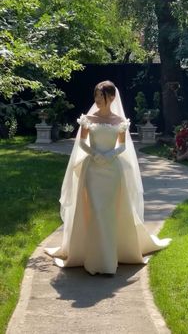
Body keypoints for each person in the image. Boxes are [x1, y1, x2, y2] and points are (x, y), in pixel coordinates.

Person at [45, 80, 171, 275]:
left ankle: (109, 256)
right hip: (93, 171)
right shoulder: (88, 118)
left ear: (111, 98)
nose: (97, 99)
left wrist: (109, 155)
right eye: (95, 96)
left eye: (101, 96)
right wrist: (95, 154)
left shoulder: (120, 121)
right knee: (95, 209)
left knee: (109, 211)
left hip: (112, 171)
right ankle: (96, 260)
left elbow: (122, 146)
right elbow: (82, 143)